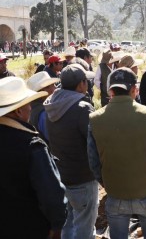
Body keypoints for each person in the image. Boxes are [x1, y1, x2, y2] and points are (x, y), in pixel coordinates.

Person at [88, 67, 146, 239]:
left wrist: (107, 183)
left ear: (110, 90)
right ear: (134, 90)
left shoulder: (95, 119)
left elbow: (93, 162)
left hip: (116, 193)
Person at [0, 76, 67, 239]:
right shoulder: (31, 145)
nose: (31, 108)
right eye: (28, 104)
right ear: (18, 111)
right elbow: (53, 197)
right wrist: (57, 226)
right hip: (30, 227)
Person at [44, 64, 98, 239]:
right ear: (80, 84)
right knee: (84, 227)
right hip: (82, 177)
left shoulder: (52, 104)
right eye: (86, 82)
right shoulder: (82, 108)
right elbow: (94, 143)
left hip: (61, 175)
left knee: (68, 224)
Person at [26, 71, 59, 143]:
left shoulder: (31, 107)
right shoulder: (43, 113)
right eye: (51, 85)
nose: (55, 88)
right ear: (43, 91)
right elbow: (53, 139)